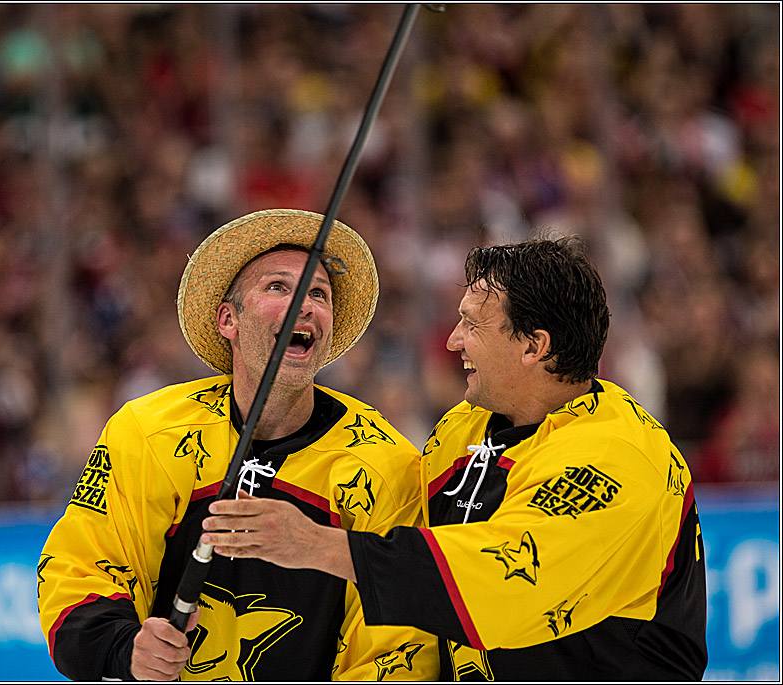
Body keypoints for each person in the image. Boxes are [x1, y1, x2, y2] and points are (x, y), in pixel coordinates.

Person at [202, 236, 708, 680]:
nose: (453, 340)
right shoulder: (460, 429)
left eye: (472, 324)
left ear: (534, 346)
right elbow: (399, 539)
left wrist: (316, 544)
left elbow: (504, 583)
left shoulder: (620, 457)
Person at [37, 208, 439, 681]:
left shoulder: (387, 465)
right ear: (229, 319)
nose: (304, 305)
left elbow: (400, 647)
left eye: (318, 293)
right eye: (278, 287)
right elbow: (79, 568)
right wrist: (126, 649)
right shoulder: (148, 432)